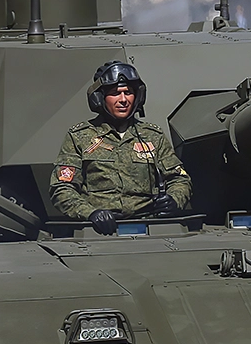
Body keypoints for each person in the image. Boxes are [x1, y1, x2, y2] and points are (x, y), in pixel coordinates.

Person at [51, 61, 192, 235]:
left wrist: (174, 200)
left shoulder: (152, 135)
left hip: (150, 229)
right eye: (115, 93)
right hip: (97, 231)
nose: (123, 100)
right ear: (99, 98)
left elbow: (179, 179)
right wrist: (90, 213)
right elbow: (62, 188)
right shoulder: (79, 136)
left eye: (128, 93)